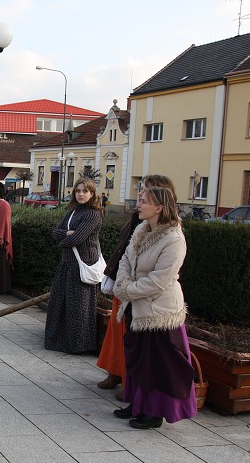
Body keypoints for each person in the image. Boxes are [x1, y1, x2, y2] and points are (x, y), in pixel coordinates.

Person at [112, 186, 196, 429]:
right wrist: (124, 283)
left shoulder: (174, 239)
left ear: (159, 208)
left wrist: (127, 290)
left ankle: (155, 412)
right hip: (137, 307)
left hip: (159, 312)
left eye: (144, 201)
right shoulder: (142, 229)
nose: (138, 205)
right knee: (138, 358)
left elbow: (161, 279)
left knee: (158, 364)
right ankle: (138, 404)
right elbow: (126, 259)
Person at [97, 175, 176, 393]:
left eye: (145, 195)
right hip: (128, 287)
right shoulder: (140, 223)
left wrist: (130, 289)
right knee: (120, 333)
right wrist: (118, 279)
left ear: (160, 203)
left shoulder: (172, 234)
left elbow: (161, 274)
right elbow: (125, 253)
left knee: (141, 346)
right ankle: (117, 373)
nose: (139, 199)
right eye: (141, 193)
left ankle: (133, 386)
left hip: (149, 298)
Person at [44, 177, 103, 354]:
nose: (81, 194)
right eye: (78, 191)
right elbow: (55, 233)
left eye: (85, 191)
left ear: (92, 193)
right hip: (67, 263)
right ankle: (60, 340)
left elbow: (77, 239)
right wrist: (68, 234)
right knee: (60, 302)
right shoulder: (72, 212)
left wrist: (66, 238)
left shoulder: (93, 214)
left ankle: (79, 344)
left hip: (82, 264)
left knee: (79, 306)